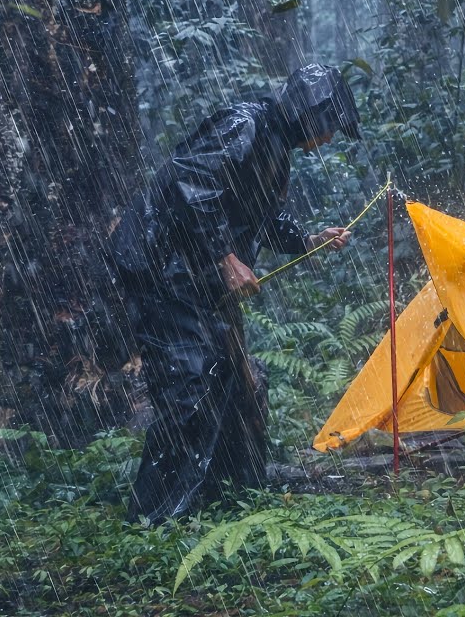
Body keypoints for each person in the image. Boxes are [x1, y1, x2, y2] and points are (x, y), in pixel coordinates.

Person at [109, 64, 361, 522]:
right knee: (190, 381)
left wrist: (306, 241)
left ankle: (233, 490)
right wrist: (226, 259)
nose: (327, 141)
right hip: (161, 266)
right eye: (329, 128)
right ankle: (154, 518)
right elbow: (191, 187)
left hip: (193, 275)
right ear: (313, 114)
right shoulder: (245, 125)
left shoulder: (274, 146)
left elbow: (261, 214)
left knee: (234, 375)